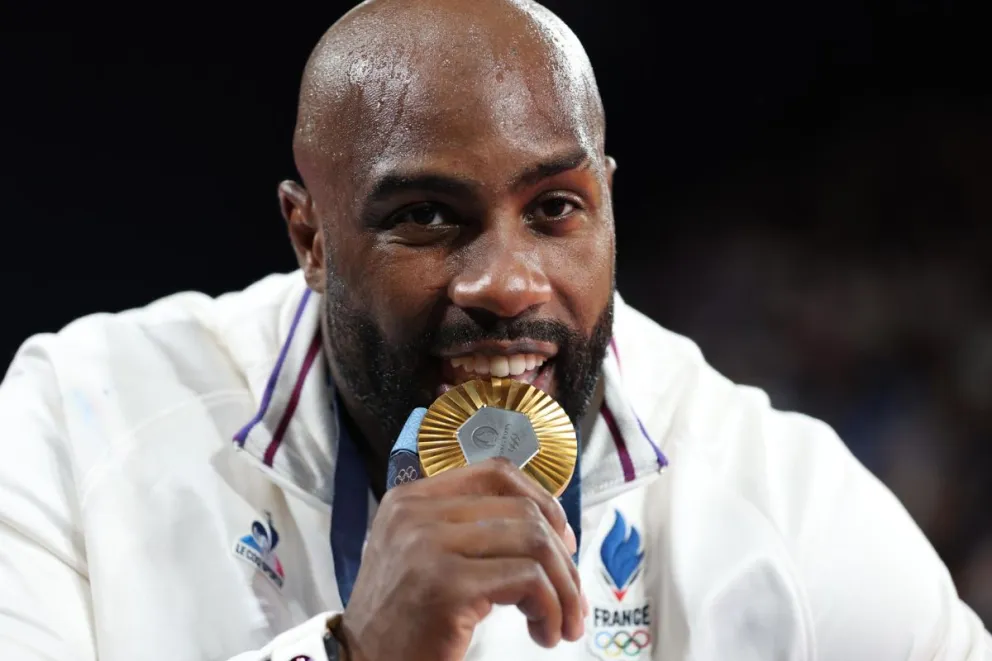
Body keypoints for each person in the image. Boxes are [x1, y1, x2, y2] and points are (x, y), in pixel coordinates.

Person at [0, 0, 988, 659]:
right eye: (425, 214)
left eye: (555, 208)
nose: (507, 283)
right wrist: (354, 650)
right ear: (309, 234)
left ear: (607, 202)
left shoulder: (780, 501)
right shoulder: (79, 419)